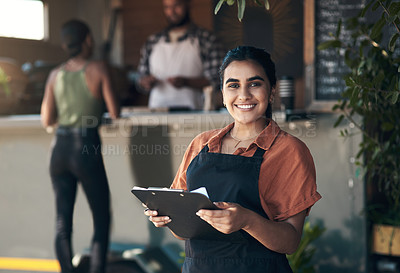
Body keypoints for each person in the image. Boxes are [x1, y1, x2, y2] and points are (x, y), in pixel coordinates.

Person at [145, 46, 321, 272]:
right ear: (223, 93)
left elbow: (291, 241)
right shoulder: (201, 144)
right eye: (233, 85)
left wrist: (248, 221)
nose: (244, 95)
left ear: (272, 90)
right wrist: (168, 216)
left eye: (255, 84)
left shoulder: (289, 150)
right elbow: (183, 233)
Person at [41, 19, 120, 273]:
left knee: (63, 221)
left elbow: (47, 120)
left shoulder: (55, 75)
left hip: (59, 150)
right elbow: (115, 112)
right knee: (101, 218)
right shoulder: (97, 68)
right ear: (87, 40)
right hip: (85, 147)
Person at [137, 0, 225, 110]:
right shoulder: (152, 41)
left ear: (188, 5)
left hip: (195, 111)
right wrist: (145, 82)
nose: (172, 11)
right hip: (157, 111)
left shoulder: (206, 39)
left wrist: (187, 82)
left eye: (177, 5)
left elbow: (218, 79)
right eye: (167, 7)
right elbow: (140, 77)